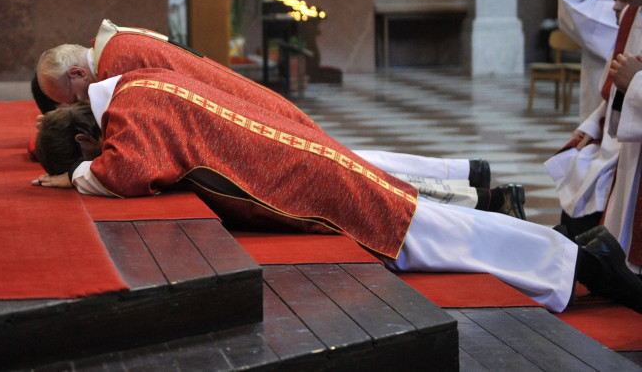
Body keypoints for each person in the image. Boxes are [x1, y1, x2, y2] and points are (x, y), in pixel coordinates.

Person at [33, 68, 642, 313]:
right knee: (427, 225)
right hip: (295, 158)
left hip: (302, 185)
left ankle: (583, 261)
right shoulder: (135, 88)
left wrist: (73, 180)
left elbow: (123, 173)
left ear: (86, 142)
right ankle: (574, 254)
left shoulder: (127, 127)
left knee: (429, 236)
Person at [33, 19, 522, 216]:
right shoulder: (118, 43)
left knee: (358, 179)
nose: (71, 106)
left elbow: (140, 150)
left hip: (246, 122)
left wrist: (81, 172)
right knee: (354, 170)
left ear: (79, 72)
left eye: (66, 96)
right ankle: (471, 185)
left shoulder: (116, 66)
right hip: (246, 112)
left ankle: (475, 195)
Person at [551, 0, 642, 240]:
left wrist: (635, 82)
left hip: (632, 138)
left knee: (595, 186)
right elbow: (616, 85)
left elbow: (629, 79)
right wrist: (592, 124)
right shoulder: (632, 13)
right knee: (580, 170)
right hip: (623, 133)